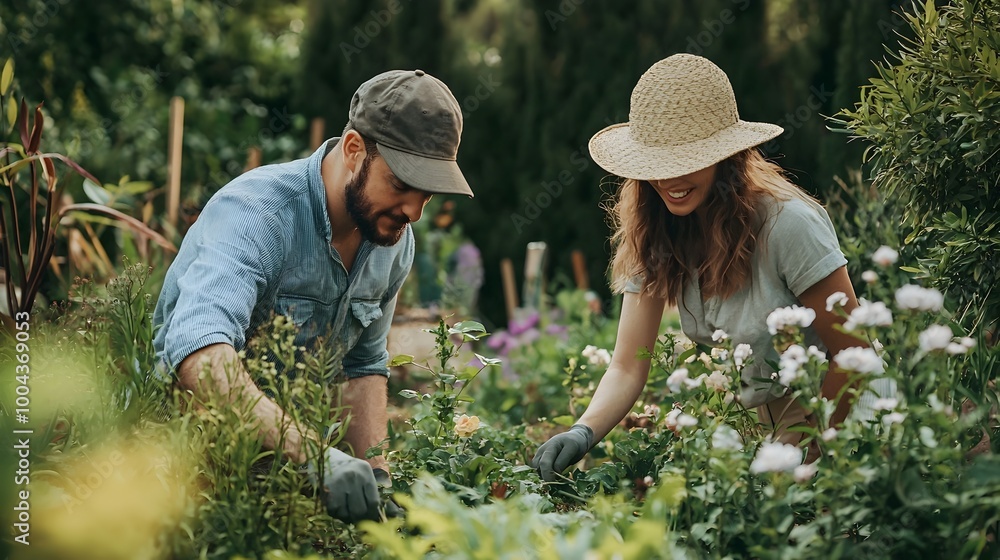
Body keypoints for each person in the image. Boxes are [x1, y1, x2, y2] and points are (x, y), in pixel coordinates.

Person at [532, 54, 878, 482]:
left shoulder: (787, 225)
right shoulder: (655, 226)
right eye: (656, 166)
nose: (668, 181)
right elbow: (628, 364)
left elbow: (853, 354)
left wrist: (811, 453)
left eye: (686, 161)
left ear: (727, 157)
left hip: (839, 413)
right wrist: (583, 432)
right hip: (755, 422)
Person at [153, 69, 474, 520]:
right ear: (354, 149)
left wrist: (376, 475)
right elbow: (199, 355)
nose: (414, 213)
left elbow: (362, 365)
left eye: (428, 195)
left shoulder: (392, 242)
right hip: (184, 472)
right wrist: (317, 457)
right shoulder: (257, 214)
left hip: (289, 473)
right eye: (401, 185)